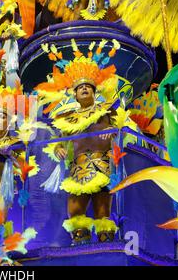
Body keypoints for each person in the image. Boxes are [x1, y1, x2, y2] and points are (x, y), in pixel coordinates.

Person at [36, 39, 122, 244]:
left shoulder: (107, 112)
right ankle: (79, 245)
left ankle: (105, 251)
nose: (84, 89)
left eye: (88, 87)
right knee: (75, 215)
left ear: (94, 92)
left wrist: (112, 131)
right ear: (74, 94)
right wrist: (58, 149)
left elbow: (123, 131)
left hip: (102, 166)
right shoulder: (67, 118)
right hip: (77, 169)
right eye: (80, 87)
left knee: (103, 214)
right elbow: (59, 141)